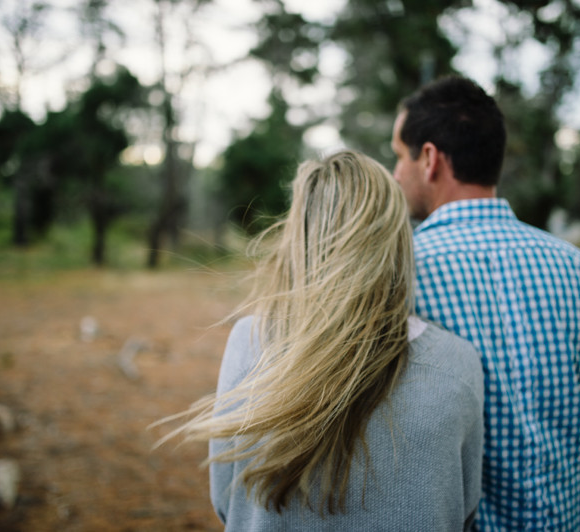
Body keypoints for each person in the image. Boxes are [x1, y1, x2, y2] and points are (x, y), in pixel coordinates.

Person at [154, 150, 484, 531]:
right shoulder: (457, 362)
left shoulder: (250, 340)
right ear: (396, 238)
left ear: (300, 235)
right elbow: (463, 508)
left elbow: (226, 501)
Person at [390, 75, 580, 531]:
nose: (396, 173)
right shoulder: (578, 269)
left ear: (429, 159)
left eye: (399, 156)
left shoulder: (400, 275)